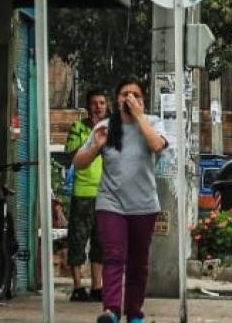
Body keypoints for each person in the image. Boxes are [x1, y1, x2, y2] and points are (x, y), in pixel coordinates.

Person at [74, 78, 168, 323]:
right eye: (124, 94)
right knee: (113, 256)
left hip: (144, 205)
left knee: (138, 262)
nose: (129, 98)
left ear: (143, 100)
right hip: (111, 203)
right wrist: (96, 146)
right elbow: (79, 162)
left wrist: (139, 117)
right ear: (116, 100)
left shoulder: (153, 123)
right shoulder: (105, 127)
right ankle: (111, 310)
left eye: (135, 94)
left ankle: (134, 313)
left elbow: (157, 145)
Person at [64, 88, 109, 302]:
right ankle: (77, 287)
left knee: (100, 243)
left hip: (105, 194)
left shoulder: (112, 130)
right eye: (94, 103)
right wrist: (92, 136)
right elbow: (71, 153)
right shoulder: (78, 128)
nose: (98, 107)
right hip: (82, 194)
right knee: (77, 240)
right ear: (88, 107)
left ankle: (97, 286)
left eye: (101, 103)